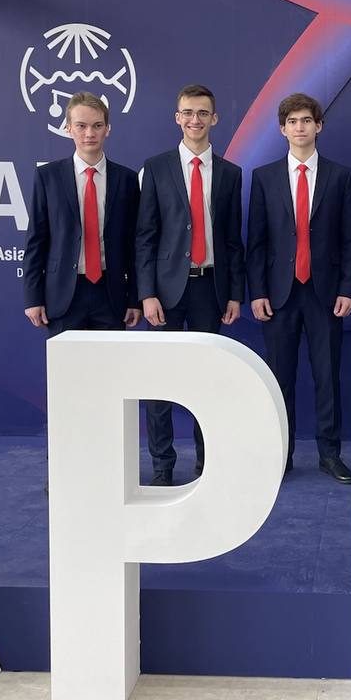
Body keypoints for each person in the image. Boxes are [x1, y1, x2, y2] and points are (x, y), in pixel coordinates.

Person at [247, 93, 351, 483]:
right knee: (280, 378)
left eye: (307, 120)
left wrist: (348, 288)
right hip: (278, 294)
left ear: (319, 126)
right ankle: (282, 453)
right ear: (282, 129)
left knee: (328, 376)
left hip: (325, 293)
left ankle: (330, 454)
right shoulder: (264, 177)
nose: (300, 127)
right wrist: (257, 292)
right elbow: (256, 241)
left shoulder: (340, 176)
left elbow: (350, 240)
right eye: (292, 121)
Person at [136, 84, 245, 486]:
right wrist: (146, 293)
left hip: (210, 288)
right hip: (165, 292)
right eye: (188, 113)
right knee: (161, 382)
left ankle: (206, 463)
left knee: (207, 380)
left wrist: (235, 294)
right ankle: (162, 465)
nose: (195, 120)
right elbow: (145, 236)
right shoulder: (157, 168)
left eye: (202, 113)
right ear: (177, 118)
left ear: (214, 118)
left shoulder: (230, 173)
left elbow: (233, 241)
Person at [23, 92, 141, 335]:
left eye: (97, 125)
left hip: (111, 294)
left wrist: (134, 299)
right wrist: (33, 297)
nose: (90, 133)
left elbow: (134, 244)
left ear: (107, 129)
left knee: (110, 361)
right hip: (63, 295)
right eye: (81, 126)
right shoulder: (48, 177)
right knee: (66, 361)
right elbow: (36, 240)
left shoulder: (127, 179)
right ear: (68, 129)